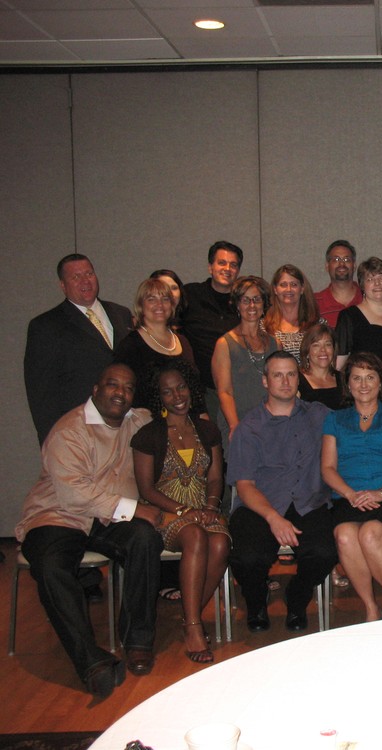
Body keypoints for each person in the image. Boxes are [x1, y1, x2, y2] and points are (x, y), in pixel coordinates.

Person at [16, 364, 162, 698]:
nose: (120, 393)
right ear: (95, 390)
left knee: (144, 539)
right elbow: (74, 494)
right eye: (112, 385)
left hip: (108, 519)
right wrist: (135, 508)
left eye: (128, 387)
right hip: (58, 515)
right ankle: (92, 663)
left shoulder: (139, 421)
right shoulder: (69, 430)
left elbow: (170, 424)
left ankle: (138, 641)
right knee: (51, 567)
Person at [226, 351, 338, 632]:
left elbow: (358, 421)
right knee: (248, 558)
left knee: (324, 552)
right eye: (278, 375)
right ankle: (256, 601)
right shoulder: (249, 428)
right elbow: (245, 485)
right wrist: (273, 518)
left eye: (291, 374)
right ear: (265, 381)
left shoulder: (319, 415)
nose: (286, 381)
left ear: (298, 378)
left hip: (309, 501)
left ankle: (297, 598)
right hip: (261, 505)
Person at [131, 361, 229, 663]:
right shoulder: (148, 435)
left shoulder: (207, 430)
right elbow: (146, 489)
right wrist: (184, 510)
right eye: (168, 391)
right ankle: (194, 626)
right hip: (166, 513)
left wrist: (210, 506)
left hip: (204, 510)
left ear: (190, 388)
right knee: (196, 536)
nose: (177, 396)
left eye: (181, 387)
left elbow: (215, 477)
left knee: (220, 543)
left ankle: (190, 615)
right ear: (158, 397)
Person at [321, 353, 382, 621]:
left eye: (370, 377)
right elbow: (327, 468)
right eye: (357, 378)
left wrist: (381, 493)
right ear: (348, 384)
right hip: (348, 497)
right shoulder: (334, 419)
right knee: (344, 536)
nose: (363, 384)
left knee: (371, 534)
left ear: (380, 382)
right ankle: (371, 608)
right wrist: (350, 494)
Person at [25, 253, 133, 445]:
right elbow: (41, 393)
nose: (85, 281)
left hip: (125, 428)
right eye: (76, 277)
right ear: (62, 285)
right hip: (78, 433)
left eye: (89, 274)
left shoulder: (121, 314)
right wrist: (53, 441)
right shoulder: (46, 326)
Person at [114, 277, 203, 413]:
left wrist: (202, 415)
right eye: (151, 299)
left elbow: (194, 387)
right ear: (140, 305)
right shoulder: (130, 345)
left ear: (172, 305)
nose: (159, 305)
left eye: (165, 299)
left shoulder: (183, 341)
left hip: (187, 418)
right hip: (148, 421)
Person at [212, 276, 279, 440]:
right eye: (245, 300)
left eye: (257, 299)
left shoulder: (275, 343)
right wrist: (235, 426)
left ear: (264, 304)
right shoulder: (224, 344)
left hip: (270, 423)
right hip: (238, 423)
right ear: (237, 304)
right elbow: (224, 391)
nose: (252, 305)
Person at [180, 241, 243, 401]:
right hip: (198, 389)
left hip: (237, 387)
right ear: (210, 267)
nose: (227, 269)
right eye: (222, 263)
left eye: (233, 265)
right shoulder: (190, 295)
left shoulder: (245, 302)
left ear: (238, 271)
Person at [335, 256, 382, 369]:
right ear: (362, 286)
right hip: (365, 379)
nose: (377, 283)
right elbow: (338, 366)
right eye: (370, 279)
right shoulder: (349, 316)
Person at [263, 264, 323, 362]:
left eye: (294, 284)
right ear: (275, 289)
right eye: (283, 285)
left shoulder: (318, 324)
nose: (289, 289)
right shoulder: (263, 327)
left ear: (302, 288)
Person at [314, 239, 363, 327]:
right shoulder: (314, 303)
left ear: (354, 266)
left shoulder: (368, 299)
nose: (341, 264)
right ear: (327, 266)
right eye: (336, 259)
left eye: (346, 259)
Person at [297, 323, 342, 410]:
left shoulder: (344, 379)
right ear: (307, 351)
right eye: (316, 345)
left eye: (328, 344)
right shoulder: (297, 381)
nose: (323, 350)